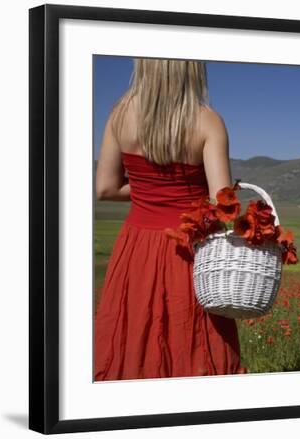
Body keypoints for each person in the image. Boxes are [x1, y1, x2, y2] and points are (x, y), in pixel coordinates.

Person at [93, 58, 243, 381]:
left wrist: (152, 190)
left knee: (134, 340)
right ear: (191, 67)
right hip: (188, 253)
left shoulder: (120, 115)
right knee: (193, 345)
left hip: (136, 250)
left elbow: (105, 188)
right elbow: (222, 204)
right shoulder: (207, 122)